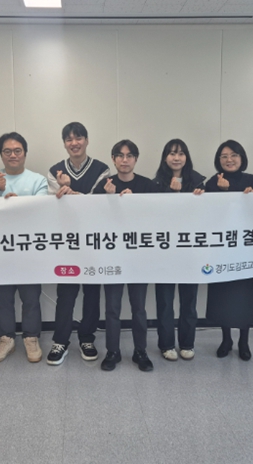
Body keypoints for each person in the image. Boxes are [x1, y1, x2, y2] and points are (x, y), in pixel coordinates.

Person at [0, 132, 48, 363]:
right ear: (1, 154)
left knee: (31, 298)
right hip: (0, 250)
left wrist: (17, 204)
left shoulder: (38, 180)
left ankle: (31, 337)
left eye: (17, 150)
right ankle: (6, 338)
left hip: (30, 250)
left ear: (25, 153)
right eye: (7, 151)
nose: (13, 155)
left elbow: (42, 209)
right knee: (3, 298)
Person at [45, 122, 110, 365]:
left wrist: (72, 192)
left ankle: (87, 338)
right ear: (64, 143)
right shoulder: (54, 170)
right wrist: (67, 192)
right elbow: (54, 205)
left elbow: (99, 204)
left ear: (87, 140)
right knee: (66, 293)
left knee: (92, 293)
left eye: (79, 137)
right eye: (69, 139)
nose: (74, 143)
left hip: (93, 240)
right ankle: (60, 341)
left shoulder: (102, 169)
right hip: (67, 242)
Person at [94, 139, 155, 372]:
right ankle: (113, 351)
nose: (125, 160)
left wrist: (135, 203)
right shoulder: (105, 185)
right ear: (113, 159)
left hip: (139, 256)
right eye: (120, 155)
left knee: (139, 307)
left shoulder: (148, 185)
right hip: (112, 256)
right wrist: (109, 199)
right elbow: (94, 218)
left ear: (136, 159)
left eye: (129, 155)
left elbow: (157, 217)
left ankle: (141, 351)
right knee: (112, 307)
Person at [205, 140, 253, 361]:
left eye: (234, 155)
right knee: (223, 296)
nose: (229, 160)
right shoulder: (212, 182)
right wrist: (223, 192)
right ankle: (226, 339)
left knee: (245, 296)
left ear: (242, 158)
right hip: (222, 250)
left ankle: (244, 341)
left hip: (247, 249)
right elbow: (209, 215)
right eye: (224, 156)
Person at [152, 139, 205, 362]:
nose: (176, 158)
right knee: (165, 301)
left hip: (190, 251)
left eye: (181, 153)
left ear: (187, 157)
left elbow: (206, 215)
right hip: (165, 251)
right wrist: (170, 193)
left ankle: (187, 343)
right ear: (165, 157)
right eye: (172, 153)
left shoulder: (199, 181)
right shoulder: (156, 184)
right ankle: (166, 344)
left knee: (189, 300)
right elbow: (154, 216)